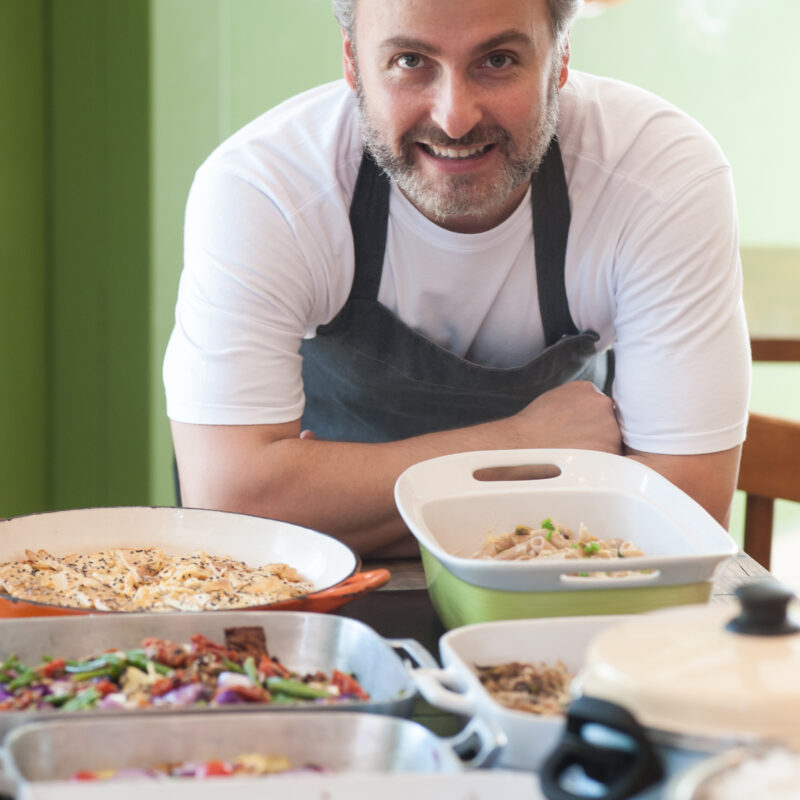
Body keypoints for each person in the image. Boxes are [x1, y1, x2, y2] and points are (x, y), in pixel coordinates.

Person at [164, 0, 750, 557]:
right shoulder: (266, 190)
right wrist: (524, 446)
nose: (454, 116)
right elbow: (230, 506)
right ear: (351, 61)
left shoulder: (659, 176)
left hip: (578, 594)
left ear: (561, 56)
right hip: (318, 600)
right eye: (410, 62)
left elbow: (684, 511)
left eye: (497, 61)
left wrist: (327, 506)